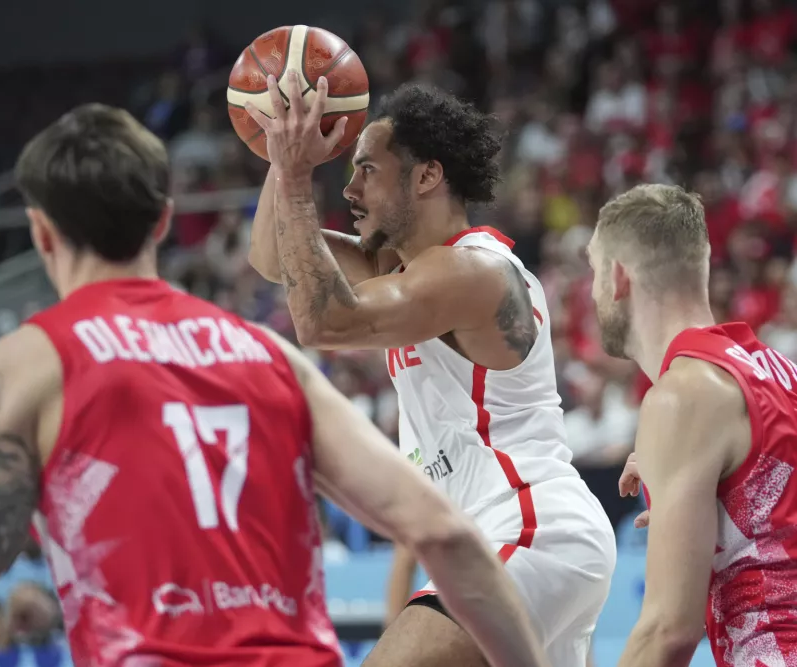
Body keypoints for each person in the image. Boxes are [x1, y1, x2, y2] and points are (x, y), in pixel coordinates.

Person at [0, 104, 548, 667]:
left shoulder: (20, 364)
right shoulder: (269, 358)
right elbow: (443, 532)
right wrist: (284, 166)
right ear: (163, 221)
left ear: (40, 233)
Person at [244, 73, 616, 666]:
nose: (351, 188)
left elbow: (324, 322)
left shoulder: (471, 272)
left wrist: (294, 175)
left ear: (426, 176)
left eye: (367, 170)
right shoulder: (403, 270)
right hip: (498, 535)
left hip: (529, 526)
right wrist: (282, 153)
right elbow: (273, 256)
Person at [588, 184, 797, 666]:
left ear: (618, 277)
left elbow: (668, 630)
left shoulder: (683, 396)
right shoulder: (777, 374)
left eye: (594, 271)